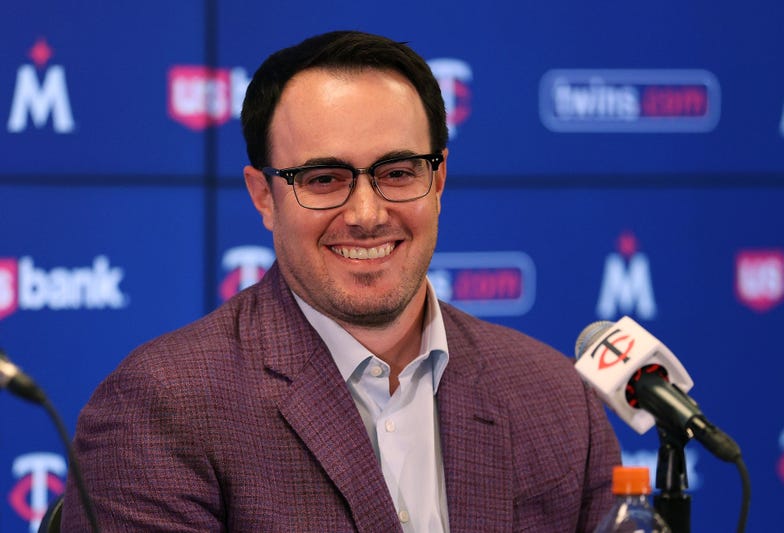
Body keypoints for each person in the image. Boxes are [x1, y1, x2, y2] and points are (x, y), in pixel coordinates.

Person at [61, 30, 621, 531]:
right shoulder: (161, 408)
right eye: (324, 178)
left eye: (398, 172)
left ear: (439, 179)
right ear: (264, 196)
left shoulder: (558, 400)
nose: (367, 213)